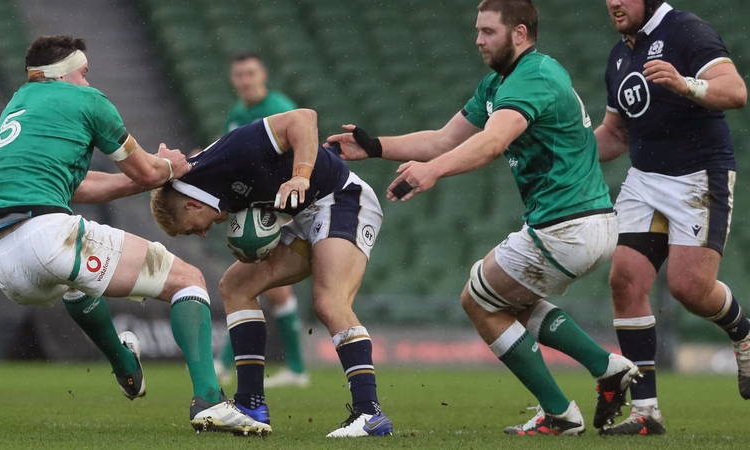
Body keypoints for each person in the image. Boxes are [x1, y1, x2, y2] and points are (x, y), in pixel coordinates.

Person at [327, 0, 639, 436]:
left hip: (568, 226)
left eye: (488, 31)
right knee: (509, 300)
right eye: (477, 30)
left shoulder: (534, 77)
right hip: (585, 223)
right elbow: (441, 139)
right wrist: (374, 145)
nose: (478, 39)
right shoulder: (499, 83)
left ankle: (559, 413)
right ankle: (606, 367)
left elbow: (493, 143)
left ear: (520, 34)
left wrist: (432, 173)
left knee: (478, 301)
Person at [0, 35, 270, 436]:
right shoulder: (88, 101)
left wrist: (151, 176)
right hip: (47, 236)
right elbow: (148, 172)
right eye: (84, 73)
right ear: (65, 72)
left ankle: (125, 365)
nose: (88, 82)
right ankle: (209, 400)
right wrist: (172, 165)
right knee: (188, 280)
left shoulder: (17, 106)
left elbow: (81, 188)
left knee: (76, 285)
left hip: (3, 261)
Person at [148, 108, 393, 438]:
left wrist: (301, 176)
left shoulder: (231, 155)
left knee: (329, 302)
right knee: (235, 286)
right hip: (305, 214)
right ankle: (251, 406)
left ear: (192, 205)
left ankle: (369, 413)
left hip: (342, 197)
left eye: (194, 230)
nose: (203, 233)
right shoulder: (200, 185)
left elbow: (304, 118)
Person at [594, 0, 749, 436]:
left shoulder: (687, 30)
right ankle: (646, 413)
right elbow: (616, 133)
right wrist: (569, 154)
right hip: (645, 178)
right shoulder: (620, 54)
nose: (614, 2)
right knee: (624, 279)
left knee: (689, 288)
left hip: (699, 174)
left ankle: (744, 332)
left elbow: (736, 91)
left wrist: (686, 85)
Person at [215, 51, 308, 389]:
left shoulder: (278, 106)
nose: (245, 81)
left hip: (277, 210)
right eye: (239, 75)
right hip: (256, 209)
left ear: (263, 75)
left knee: (263, 285)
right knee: (265, 286)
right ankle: (294, 369)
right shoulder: (239, 112)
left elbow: (298, 150)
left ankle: (230, 363)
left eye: (250, 74)